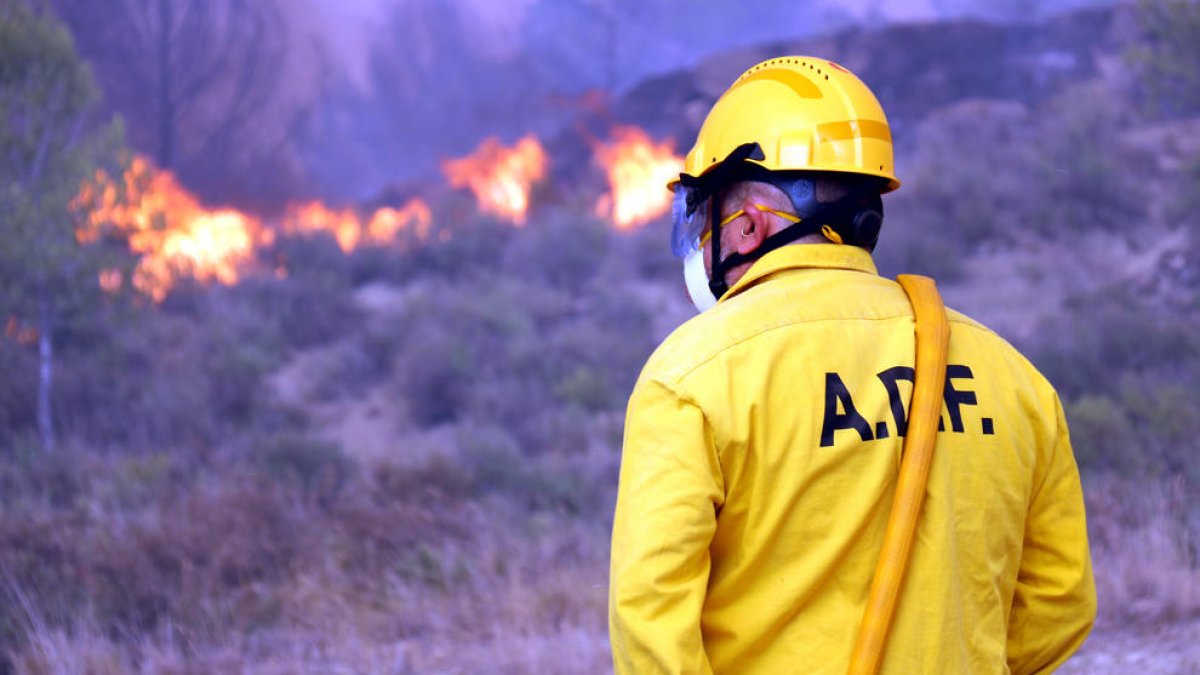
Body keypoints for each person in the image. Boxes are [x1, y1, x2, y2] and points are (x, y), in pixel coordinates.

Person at [608, 56, 1095, 674]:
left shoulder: (694, 378)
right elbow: (1060, 604)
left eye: (703, 220)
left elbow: (650, 624)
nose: (701, 245)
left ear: (749, 224)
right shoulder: (1013, 377)